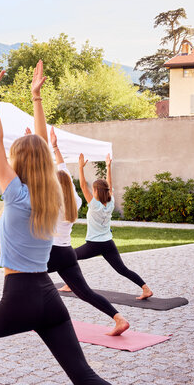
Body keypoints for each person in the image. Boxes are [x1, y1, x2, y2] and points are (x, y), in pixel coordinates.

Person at [0, 53, 110, 385]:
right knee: (84, 375)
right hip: (49, 297)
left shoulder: (17, 195)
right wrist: (35, 98)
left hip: (20, 296)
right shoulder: (54, 194)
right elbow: (44, 146)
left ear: (17, 162)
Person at [44, 124, 129, 336]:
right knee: (85, 292)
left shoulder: (51, 204)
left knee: (23, 276)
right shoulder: (75, 202)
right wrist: (55, 148)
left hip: (52, 253)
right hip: (66, 253)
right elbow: (64, 172)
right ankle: (118, 318)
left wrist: (47, 149)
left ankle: (38, 315)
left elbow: (56, 173)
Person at [61, 154, 153, 300]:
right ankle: (145, 288)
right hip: (108, 243)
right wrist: (108, 166)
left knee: (69, 257)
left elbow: (83, 186)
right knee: (122, 269)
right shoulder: (110, 203)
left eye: (94, 189)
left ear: (97, 191)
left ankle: (71, 284)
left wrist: (80, 167)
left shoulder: (95, 205)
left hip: (94, 244)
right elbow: (108, 185)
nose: (92, 191)